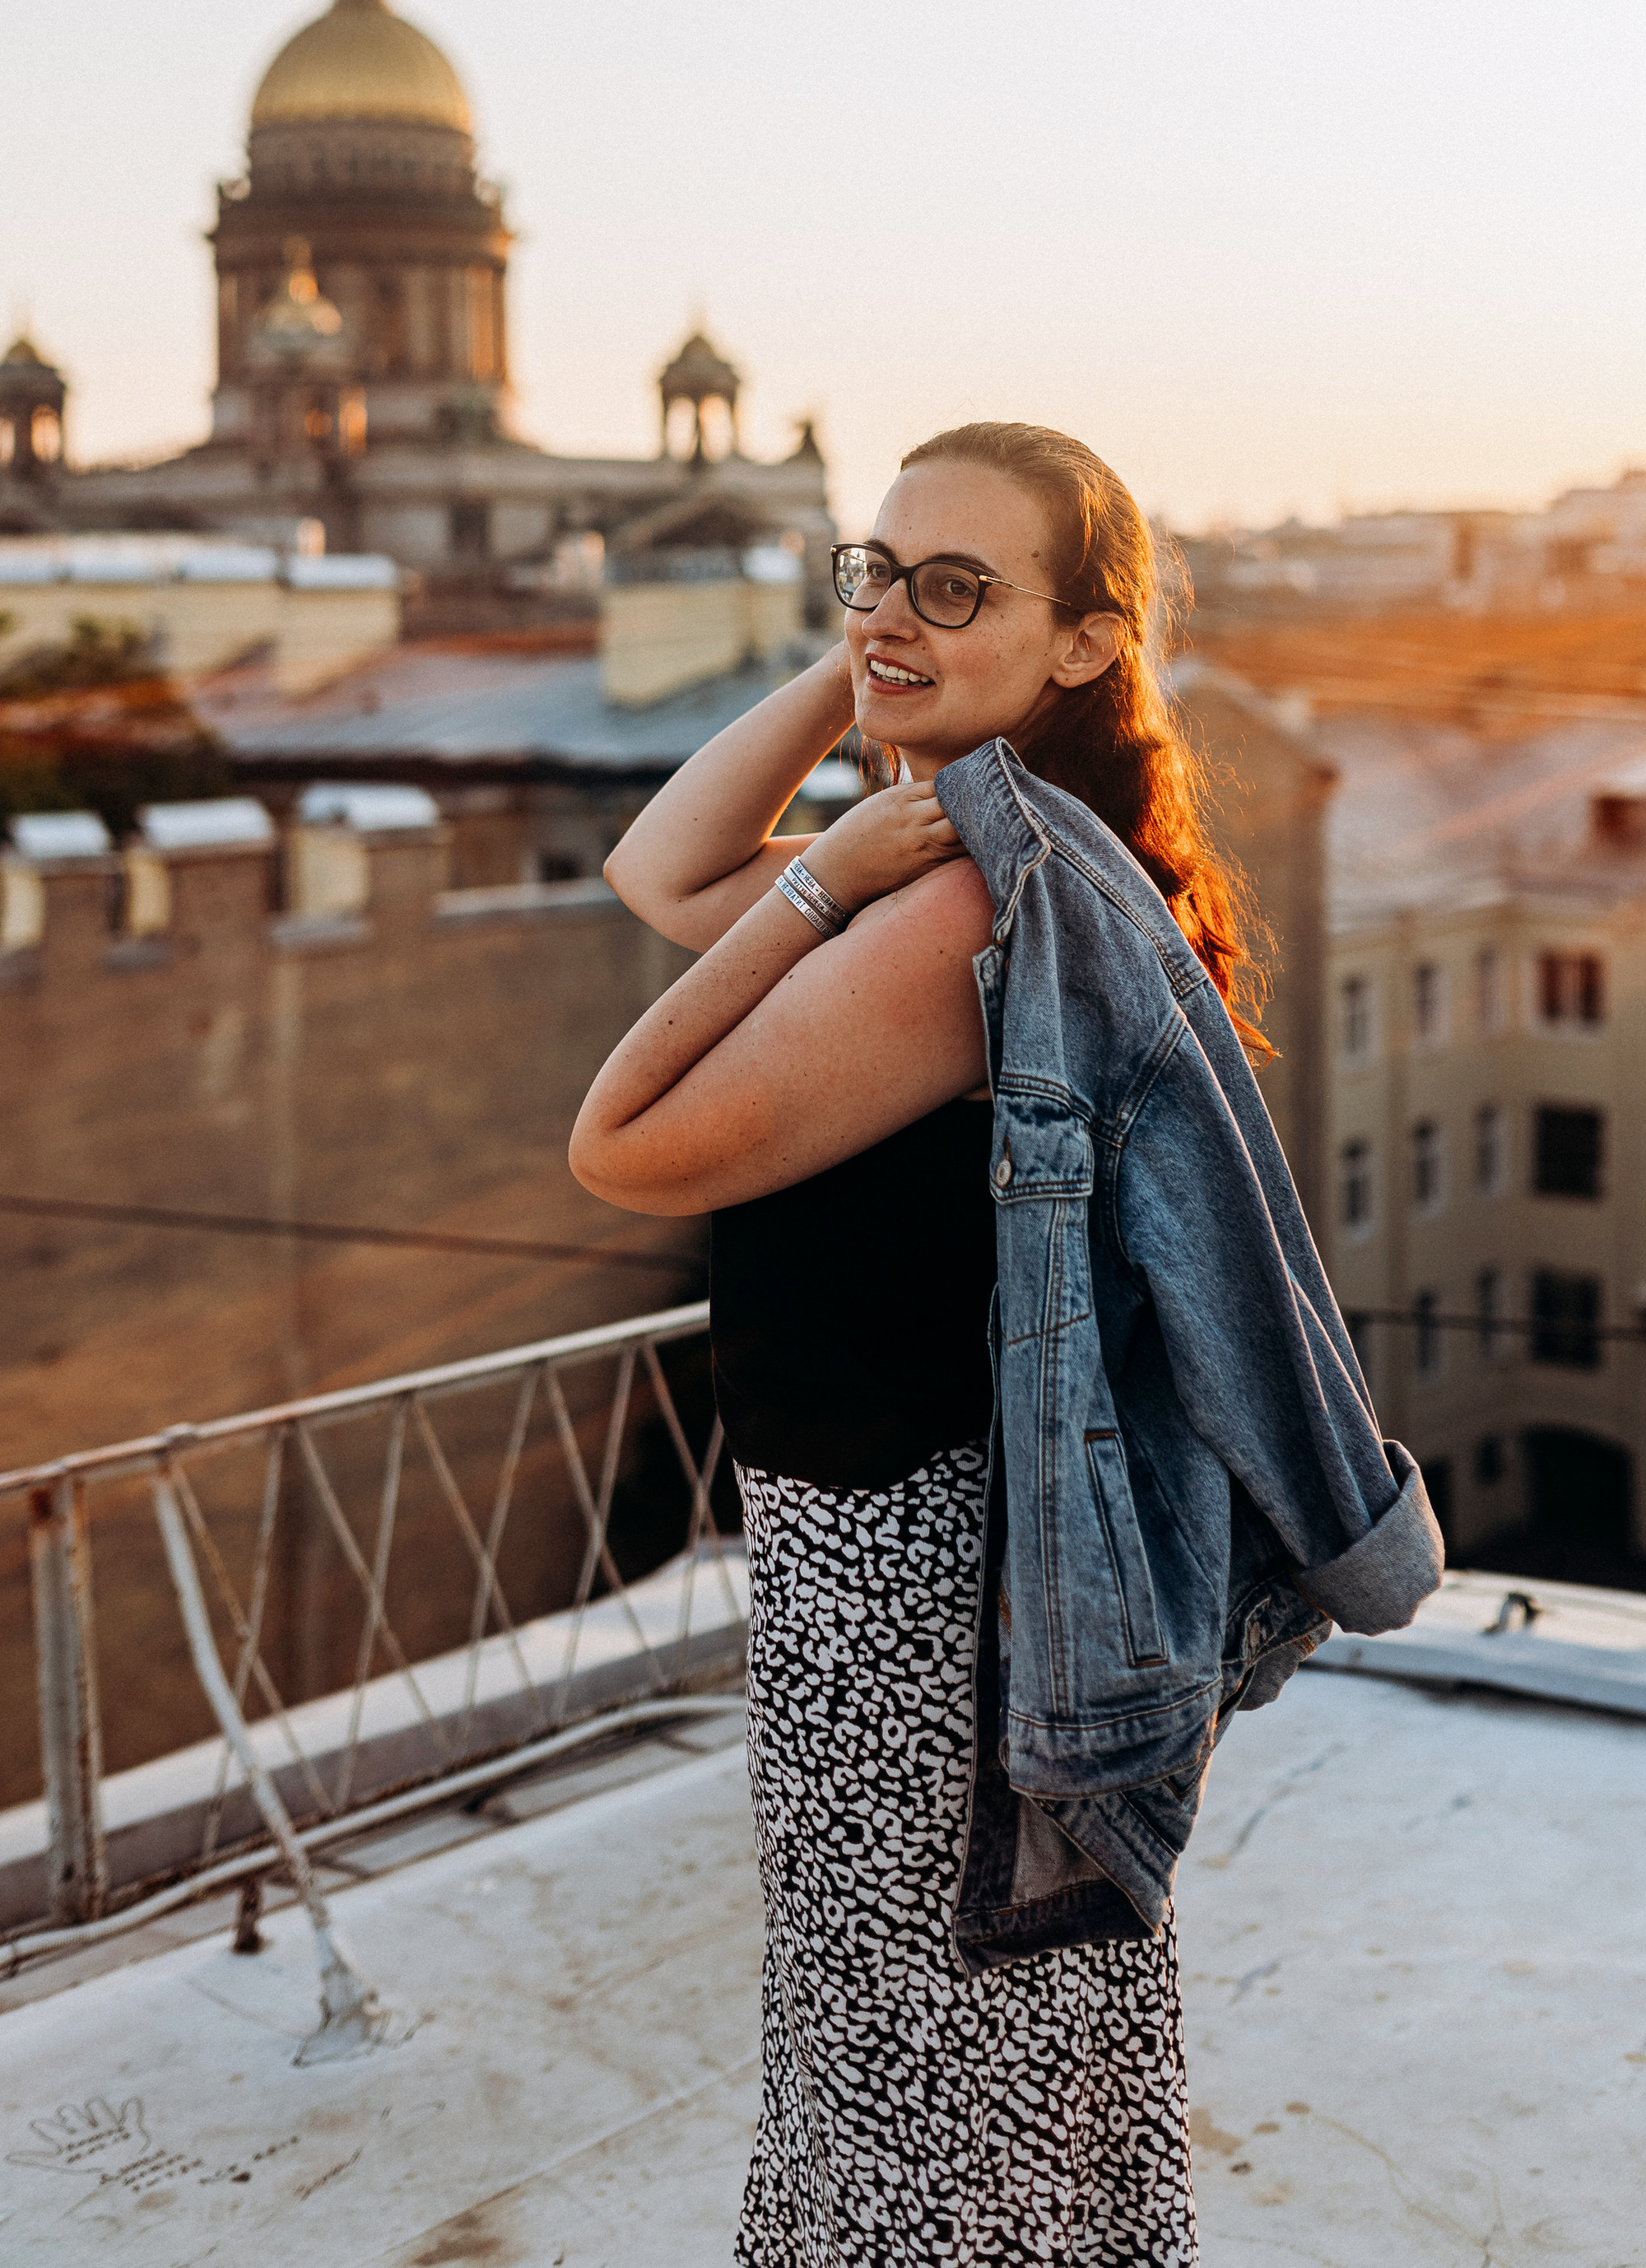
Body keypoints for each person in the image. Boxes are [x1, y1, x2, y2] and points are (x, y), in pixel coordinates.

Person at [570, 421, 1440, 2266]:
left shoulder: (958, 904)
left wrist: (821, 878)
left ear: (1084, 642)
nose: (890, 608)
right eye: (869, 568)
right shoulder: (1004, 849)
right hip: (952, 1551)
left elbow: (617, 1142)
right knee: (1001, 2049)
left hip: (906, 1571)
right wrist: (895, 656)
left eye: (958, 584)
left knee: (915, 2075)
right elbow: (663, 865)